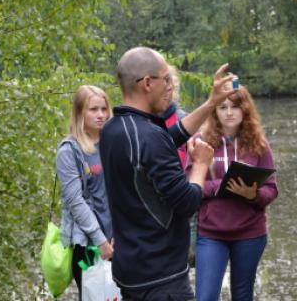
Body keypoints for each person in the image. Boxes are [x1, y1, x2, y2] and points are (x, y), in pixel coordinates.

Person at [99, 46, 236, 301]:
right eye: (166, 79)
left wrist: (211, 104)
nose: (171, 86)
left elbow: (168, 139)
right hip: (161, 278)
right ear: (148, 83)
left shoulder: (113, 129)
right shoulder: (149, 136)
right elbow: (187, 202)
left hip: (131, 270)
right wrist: (201, 164)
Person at [185, 85, 278, 301]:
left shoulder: (259, 145)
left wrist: (252, 194)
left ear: (245, 110)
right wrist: (221, 186)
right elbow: (189, 186)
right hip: (211, 232)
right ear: (215, 111)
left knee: (243, 295)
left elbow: (271, 190)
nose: (228, 113)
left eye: (235, 107)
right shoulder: (201, 142)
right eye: (222, 107)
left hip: (250, 232)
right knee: (205, 296)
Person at [56, 85, 114, 299]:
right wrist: (101, 241)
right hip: (88, 245)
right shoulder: (69, 151)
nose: (100, 115)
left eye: (104, 109)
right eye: (93, 109)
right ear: (80, 112)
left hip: (119, 239)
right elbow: (75, 201)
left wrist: (120, 232)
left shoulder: (113, 143)